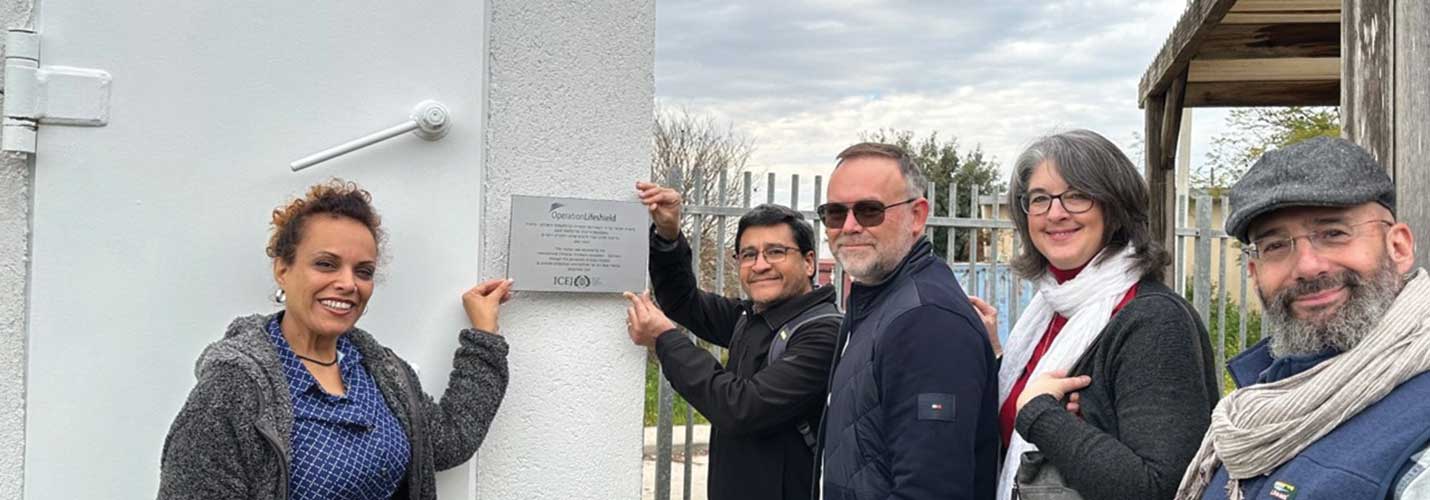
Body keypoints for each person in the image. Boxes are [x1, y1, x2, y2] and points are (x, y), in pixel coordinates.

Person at [158, 179, 512, 500]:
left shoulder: (381, 372)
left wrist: (483, 335)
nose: (348, 283)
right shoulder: (234, 387)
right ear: (283, 269)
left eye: (363, 271)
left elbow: (450, 440)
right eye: (326, 264)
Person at [969, 129, 1218, 500]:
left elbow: (1160, 488)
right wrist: (1002, 361)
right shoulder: (1052, 310)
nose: (1056, 213)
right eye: (1040, 199)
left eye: (1077, 196)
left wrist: (1040, 414)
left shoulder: (1153, 322)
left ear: (1114, 208)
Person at [1175, 137, 1430, 500]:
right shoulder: (1259, 399)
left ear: (1399, 246)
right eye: (1276, 245)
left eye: (1333, 233)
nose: (1308, 267)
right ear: (1254, 271)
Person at [623, 181, 841, 500]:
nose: (760, 265)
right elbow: (683, 301)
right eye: (749, 254)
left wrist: (663, 338)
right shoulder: (750, 316)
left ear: (809, 262)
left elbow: (741, 408)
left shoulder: (823, 332)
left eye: (776, 252)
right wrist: (668, 237)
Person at [813, 142, 998, 499]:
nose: (849, 226)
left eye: (870, 210)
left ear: (917, 216)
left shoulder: (926, 320)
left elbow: (931, 489)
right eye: (835, 213)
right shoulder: (878, 302)